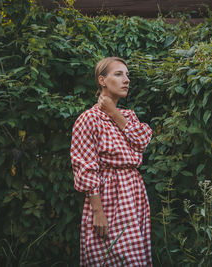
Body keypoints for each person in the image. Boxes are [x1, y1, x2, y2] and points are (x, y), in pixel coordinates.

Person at [70, 57, 153, 266]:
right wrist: (98, 212)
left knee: (135, 257)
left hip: (133, 194)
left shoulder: (127, 116)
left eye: (127, 75)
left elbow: (142, 141)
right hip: (107, 197)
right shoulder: (89, 119)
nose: (126, 80)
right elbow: (86, 167)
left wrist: (114, 113)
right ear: (102, 80)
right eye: (118, 74)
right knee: (108, 256)